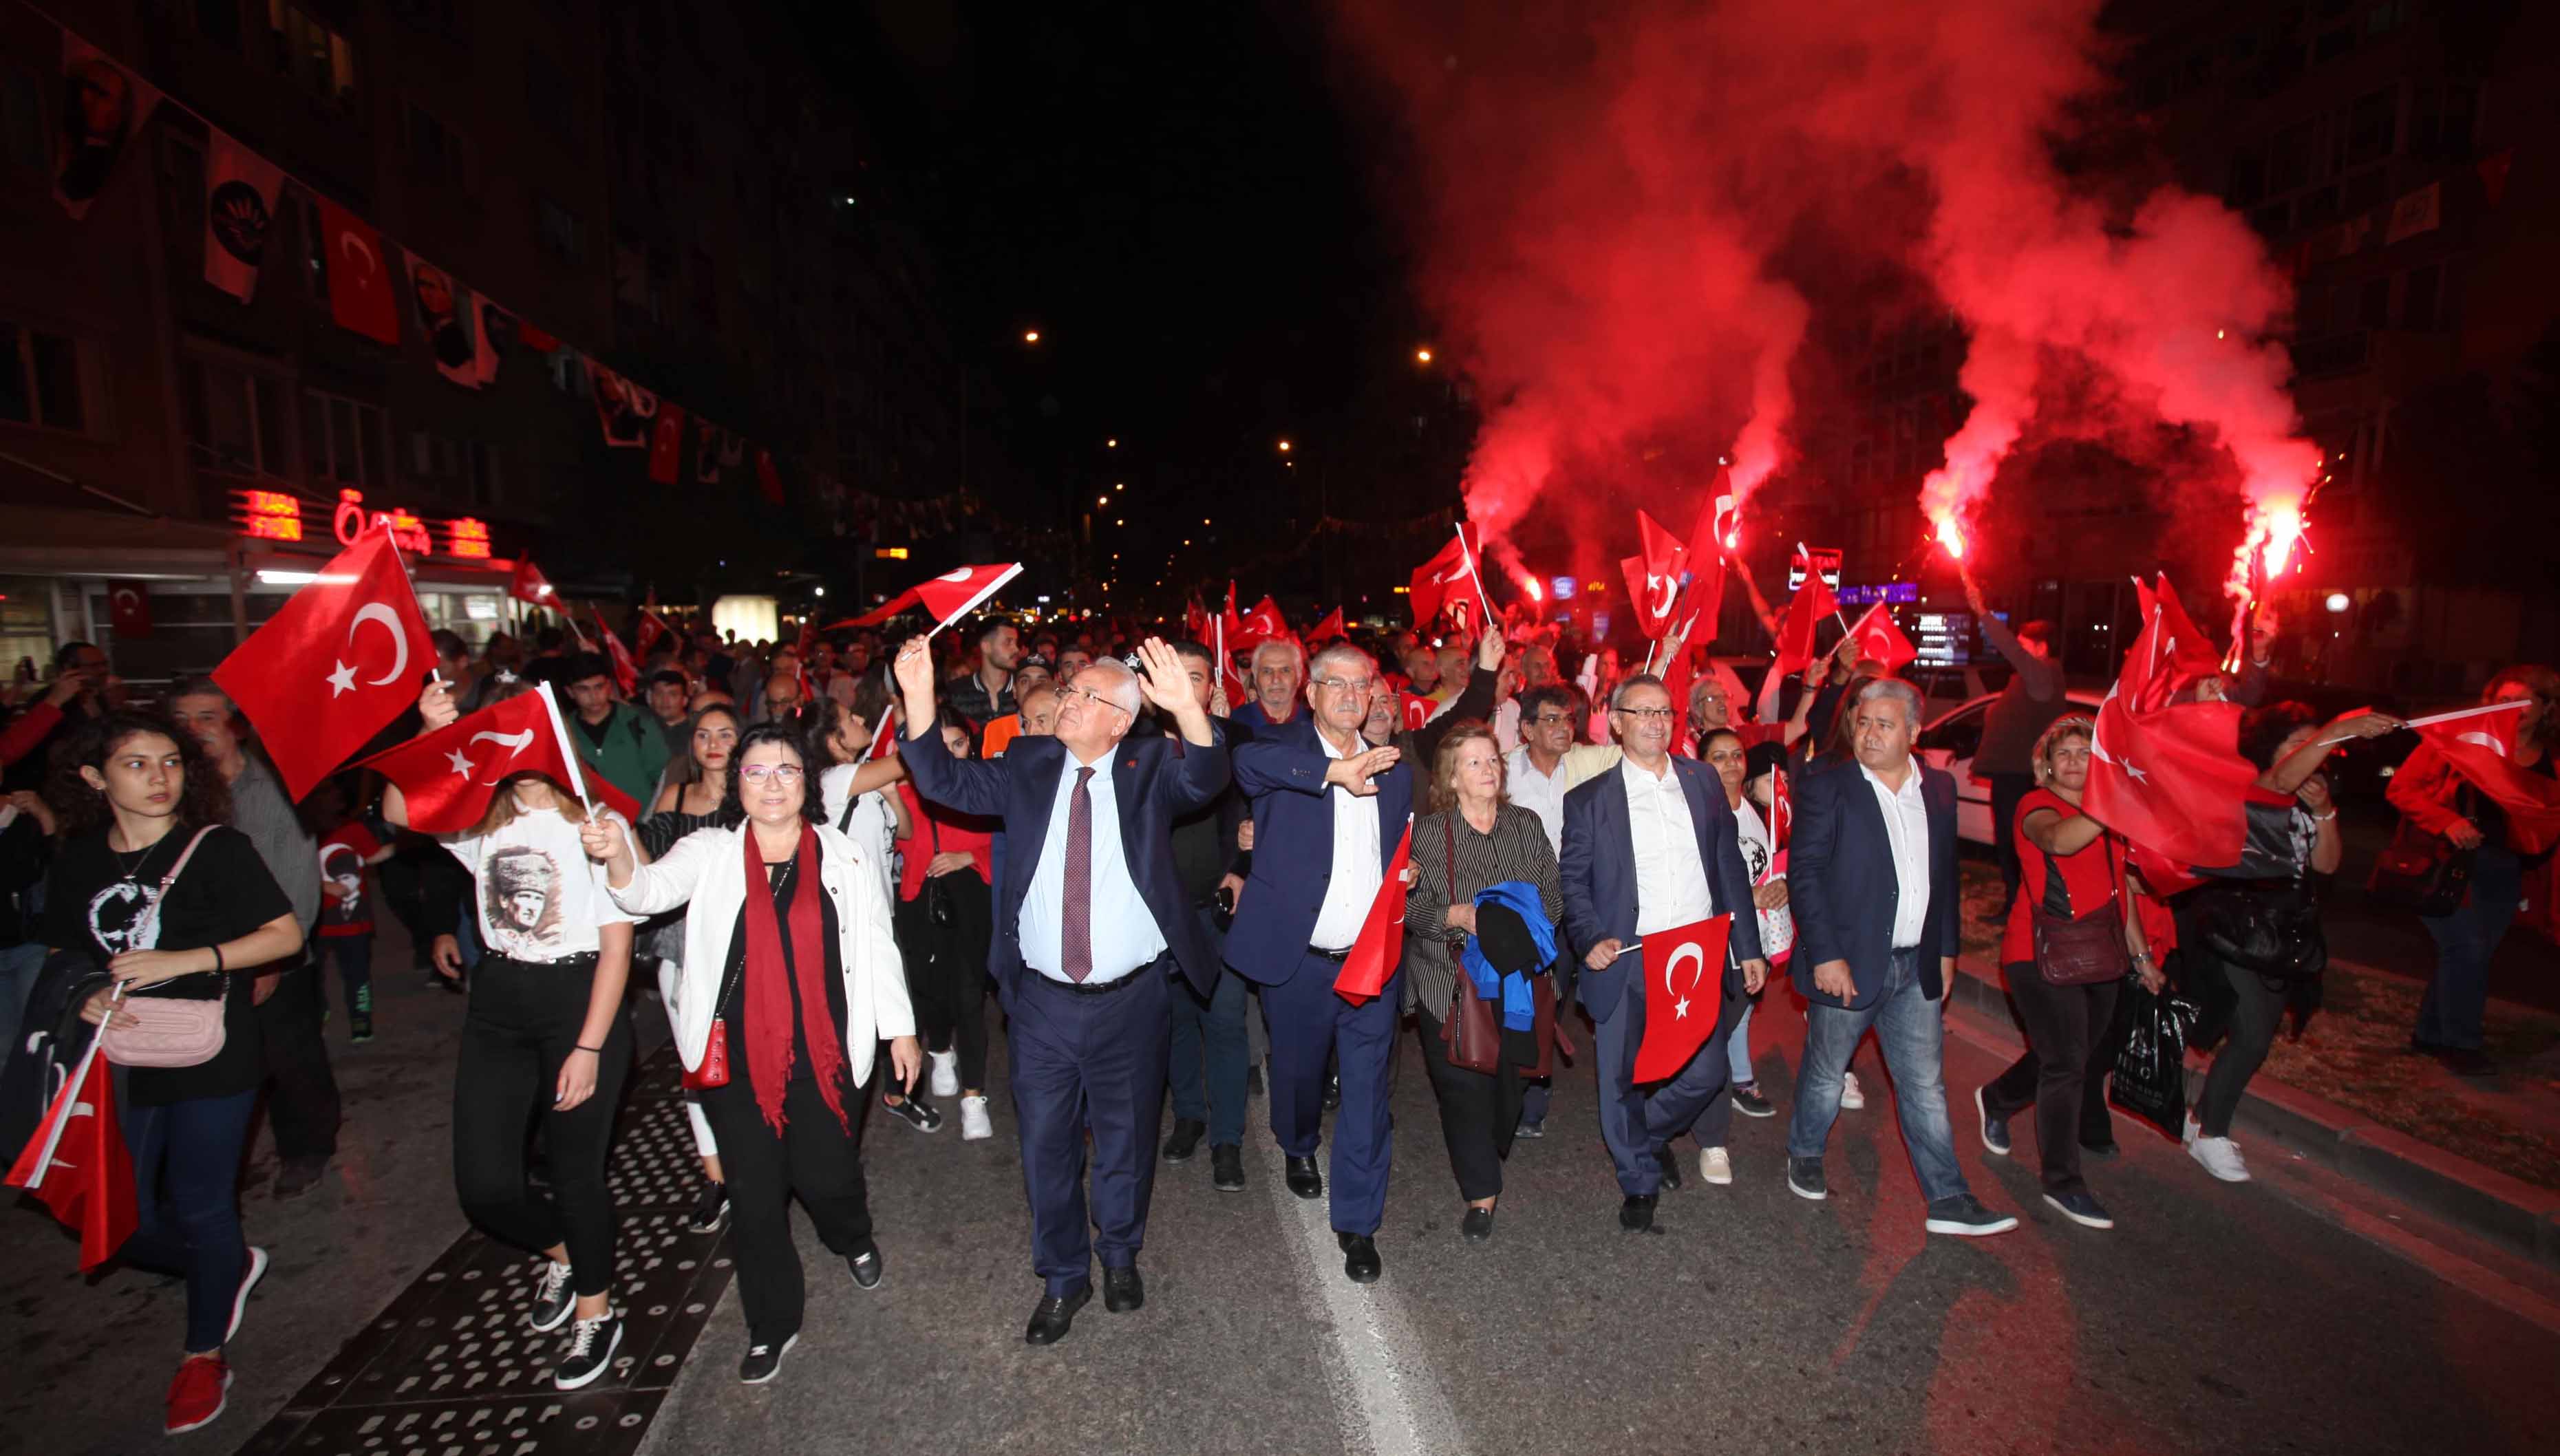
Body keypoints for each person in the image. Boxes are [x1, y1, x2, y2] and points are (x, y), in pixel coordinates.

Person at [894, 634, 1227, 1346]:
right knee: (1046, 1147)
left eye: (1086, 696)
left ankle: (1119, 1254)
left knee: (1126, 1140)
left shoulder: (1149, 768)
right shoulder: (1029, 763)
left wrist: (1188, 710)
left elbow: (1206, 779)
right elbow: (943, 783)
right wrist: (919, 696)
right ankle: (1063, 1276)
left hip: (1132, 1000)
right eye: (1070, 690)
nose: (1068, 700)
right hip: (1042, 1002)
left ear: (1121, 720)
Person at [585, 724, 921, 1385]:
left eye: (787, 770)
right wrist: (617, 855)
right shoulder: (710, 850)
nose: (772, 785)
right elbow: (644, 893)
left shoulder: (843, 855)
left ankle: (850, 1234)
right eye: (757, 772)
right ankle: (771, 1323)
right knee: (754, 1196)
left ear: (807, 782)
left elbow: (876, 942)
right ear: (737, 784)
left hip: (827, 1052)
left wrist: (900, 1029)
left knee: (827, 1178)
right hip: (737, 1060)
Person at [43, 711, 303, 1434]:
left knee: (201, 1203)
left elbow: (283, 935)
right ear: (95, 778)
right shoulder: (79, 859)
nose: (159, 778)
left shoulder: (217, 848)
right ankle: (226, 1264)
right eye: (136, 764)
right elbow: (63, 949)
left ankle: (202, 1354)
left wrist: (186, 959)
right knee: (120, 1216)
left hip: (213, 1045)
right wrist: (84, 990)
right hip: (121, 1047)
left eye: (172, 762)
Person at [385, 681, 640, 1392]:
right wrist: (430, 736)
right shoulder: (480, 818)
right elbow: (397, 809)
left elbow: (619, 946)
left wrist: (588, 1046)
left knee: (574, 1171)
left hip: (579, 999)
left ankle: (597, 1310)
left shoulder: (597, 821)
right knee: (485, 1186)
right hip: (499, 1000)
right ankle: (565, 1253)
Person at [1783, 678, 2018, 1236]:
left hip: (1917, 965)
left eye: (1883, 725)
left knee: (1924, 1086)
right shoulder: (1827, 786)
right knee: (1827, 1072)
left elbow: (1945, 875)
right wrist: (1826, 954)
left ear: (1913, 731)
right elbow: (1805, 875)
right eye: (1863, 722)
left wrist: (1948, 949)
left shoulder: (1938, 788)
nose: (1868, 734)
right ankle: (1805, 1151)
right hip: (1849, 962)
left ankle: (1948, 1198)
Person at [1229, 641, 1411, 1283]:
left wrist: (1405, 874)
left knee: (1367, 1094)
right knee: (1299, 1075)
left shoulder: (1394, 770)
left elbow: (1395, 850)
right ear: (1312, 694)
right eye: (1337, 683)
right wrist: (1336, 772)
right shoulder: (1281, 756)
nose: (1351, 695)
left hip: (1371, 962)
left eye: (1363, 685)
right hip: (1300, 961)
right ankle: (1298, 1142)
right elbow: (1245, 765)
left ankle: (1359, 1224)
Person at [1559, 677, 1769, 1232]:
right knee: (1620, 1079)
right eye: (1642, 712)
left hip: (1696, 958)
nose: (1656, 722)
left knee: (1706, 1073)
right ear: (1616, 722)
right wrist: (1588, 937)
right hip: (1628, 957)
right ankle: (1638, 1180)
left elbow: (1728, 866)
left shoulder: (1702, 782)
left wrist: (1747, 946)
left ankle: (1644, 1136)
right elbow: (1573, 881)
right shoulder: (1589, 799)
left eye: (1665, 712)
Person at [2184, 702, 2397, 1181]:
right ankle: (2211, 1132)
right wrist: (2342, 727)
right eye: (2298, 743)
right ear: (2271, 748)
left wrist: (2324, 812)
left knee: (2252, 1034)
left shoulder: (2310, 798)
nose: (2313, 753)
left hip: (2284, 935)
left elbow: (2326, 865)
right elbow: (2279, 782)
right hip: (2237, 929)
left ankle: (2199, 1117)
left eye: (2315, 744)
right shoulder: (2254, 785)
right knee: (2253, 1035)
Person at [1969, 716, 2157, 1230]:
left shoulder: (2108, 818)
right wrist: (2110, 805)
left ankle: (1997, 1098)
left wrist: (2142, 958)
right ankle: (2062, 1183)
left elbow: (2121, 892)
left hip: (2102, 952)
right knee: (2067, 1063)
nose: (2074, 761)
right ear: (2047, 764)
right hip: (2039, 952)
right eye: (2065, 753)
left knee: (2067, 1055)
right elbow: (2058, 841)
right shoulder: (2036, 806)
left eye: (2085, 753)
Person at [169, 680, 339, 1200]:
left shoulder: (275, 790)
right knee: (215, 1063)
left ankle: (307, 1148)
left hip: (272, 951)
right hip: (199, 955)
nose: (194, 730)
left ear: (236, 726)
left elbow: (299, 881)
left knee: (289, 1058)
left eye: (206, 717)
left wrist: (272, 960)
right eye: (183, 720)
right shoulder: (174, 793)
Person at [1405, 724, 1564, 1240]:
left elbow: (1553, 897)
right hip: (1449, 984)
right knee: (1462, 1090)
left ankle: (1495, 1136)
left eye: (1493, 759)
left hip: (1520, 980)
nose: (1488, 769)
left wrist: (1519, 926)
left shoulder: (1525, 824)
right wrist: (1456, 916)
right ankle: (1481, 1192)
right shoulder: (1430, 834)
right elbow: (1410, 910)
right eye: (1473, 762)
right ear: (1451, 777)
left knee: (1508, 1080)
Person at [2392, 665, 2557, 1076]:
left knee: (2468, 955)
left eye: (2524, 701)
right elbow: (2401, 788)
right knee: (2468, 949)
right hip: (2452, 863)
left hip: (2508, 871)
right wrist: (2446, 821)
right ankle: (2462, 1044)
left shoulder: (2551, 760)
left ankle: (2429, 1035)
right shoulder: (2463, 741)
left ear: (2547, 707)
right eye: (2503, 701)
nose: (2513, 709)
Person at [641, 703, 746, 1234]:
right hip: (684, 949)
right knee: (696, 1066)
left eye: (726, 733)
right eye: (704, 735)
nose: (714, 743)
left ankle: (757, 1162)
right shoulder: (675, 798)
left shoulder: (758, 795)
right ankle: (716, 1177)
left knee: (751, 1061)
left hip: (747, 949)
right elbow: (651, 874)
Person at [1681, 729, 1792, 1184]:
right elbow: (1692, 883)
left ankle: (1691, 1109)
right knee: (1707, 1048)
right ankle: (1712, 1140)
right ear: (1702, 764)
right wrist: (1748, 897)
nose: (1730, 764)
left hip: (1748, 948)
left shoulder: (1756, 813)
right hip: (1710, 946)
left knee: (1718, 1042)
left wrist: (1780, 889)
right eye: (1719, 757)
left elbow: (1769, 867)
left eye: (1737, 755)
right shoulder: (1695, 814)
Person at [1162, 639, 1250, 1190]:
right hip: (1162, 916)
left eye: (1195, 677)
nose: (1184, 686)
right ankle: (1189, 1116)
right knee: (1175, 1022)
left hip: (1221, 911)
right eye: (1176, 675)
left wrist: (1241, 868)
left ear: (1211, 687)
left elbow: (1256, 815)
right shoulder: (1138, 745)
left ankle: (1228, 1139)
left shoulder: (1235, 742)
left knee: (1224, 1021)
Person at [887, 708, 999, 1140]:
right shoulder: (906, 791)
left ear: (971, 744)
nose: (951, 755)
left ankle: (974, 1097)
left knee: (970, 996)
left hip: (972, 901)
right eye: (942, 747)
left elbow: (1012, 844)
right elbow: (894, 844)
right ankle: (939, 1050)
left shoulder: (987, 786)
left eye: (959, 744)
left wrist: (970, 856)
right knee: (929, 991)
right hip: (919, 902)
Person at [1959, 564, 2067, 912]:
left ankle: (2020, 909)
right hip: (2014, 773)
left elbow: (2012, 651)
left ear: (2041, 648)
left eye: (2023, 647)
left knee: (2015, 844)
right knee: (2009, 843)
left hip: (2021, 776)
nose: (2016, 654)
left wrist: (1983, 613)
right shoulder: (2035, 679)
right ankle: (2015, 906)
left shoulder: (2043, 673)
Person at [311, 778, 395, 1044]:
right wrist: (321, 885)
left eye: (335, 793)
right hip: (316, 920)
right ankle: (318, 1014)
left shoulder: (352, 829)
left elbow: (372, 855)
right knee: (312, 975)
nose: (333, 798)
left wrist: (404, 842)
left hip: (353, 920)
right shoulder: (304, 831)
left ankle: (361, 1019)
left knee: (358, 974)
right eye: (325, 793)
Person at [561, 653, 672, 809]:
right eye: (583, 689)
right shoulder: (563, 732)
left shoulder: (638, 722)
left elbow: (664, 777)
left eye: (599, 687)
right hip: (590, 818)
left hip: (643, 818)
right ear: (570, 692)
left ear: (609, 686)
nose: (593, 696)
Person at [943, 617, 1022, 725]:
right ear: (986, 647)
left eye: (1016, 643)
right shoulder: (956, 692)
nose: (1016, 649)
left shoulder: (1023, 688)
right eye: (1008, 642)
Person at [1235, 639, 1305, 730]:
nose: (1276, 680)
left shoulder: (1315, 725)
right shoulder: (1235, 724)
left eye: (1285, 671)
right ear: (1255, 679)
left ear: (1299, 678)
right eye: (1267, 671)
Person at [645, 669, 695, 756]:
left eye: (673, 695)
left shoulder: (695, 731)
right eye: (659, 694)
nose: (665, 701)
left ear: (685, 700)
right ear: (650, 698)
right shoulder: (642, 728)